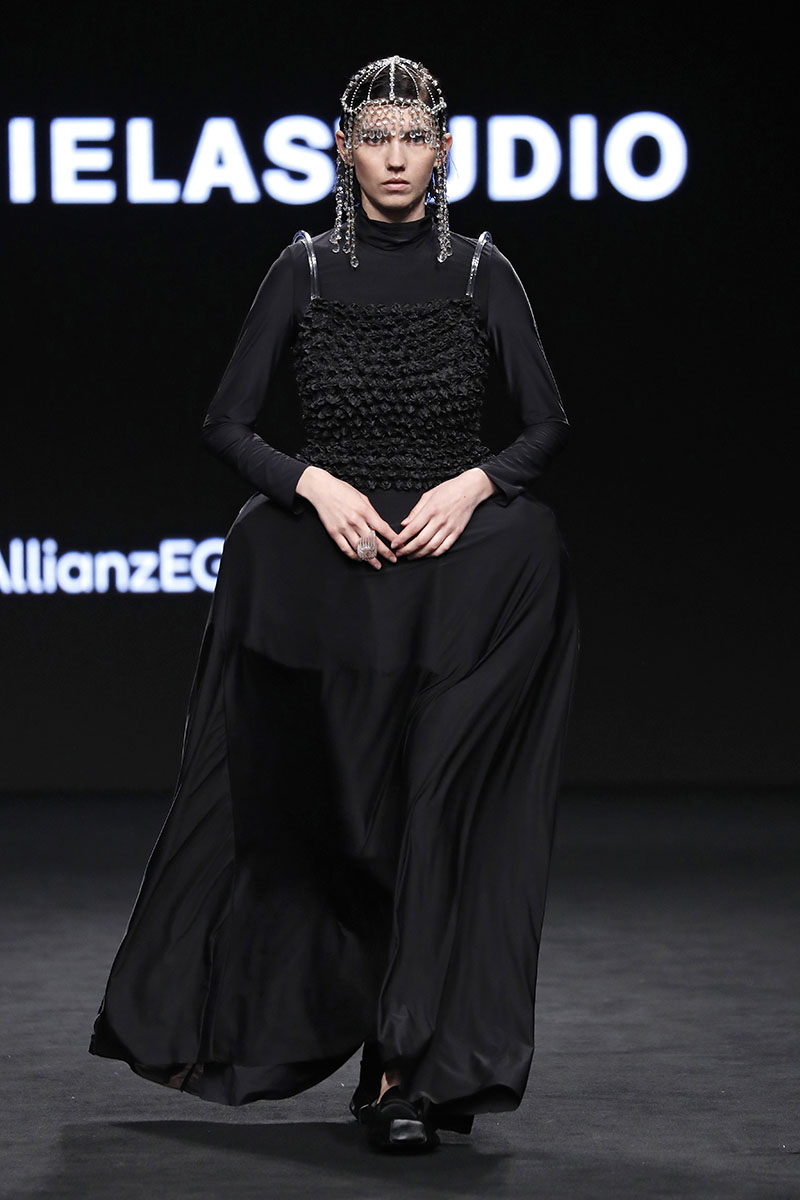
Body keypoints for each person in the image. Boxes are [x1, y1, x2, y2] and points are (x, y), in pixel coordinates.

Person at [90, 55, 580, 1153]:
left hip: (456, 576)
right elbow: (226, 422)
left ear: (443, 152)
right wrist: (312, 484)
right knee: (350, 821)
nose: (396, 158)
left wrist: (473, 484)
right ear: (343, 150)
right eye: (376, 138)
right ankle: (318, 1033)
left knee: (434, 809)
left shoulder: (481, 270)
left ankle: (404, 1070)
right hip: (330, 573)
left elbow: (546, 424)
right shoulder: (303, 269)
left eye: (414, 138)